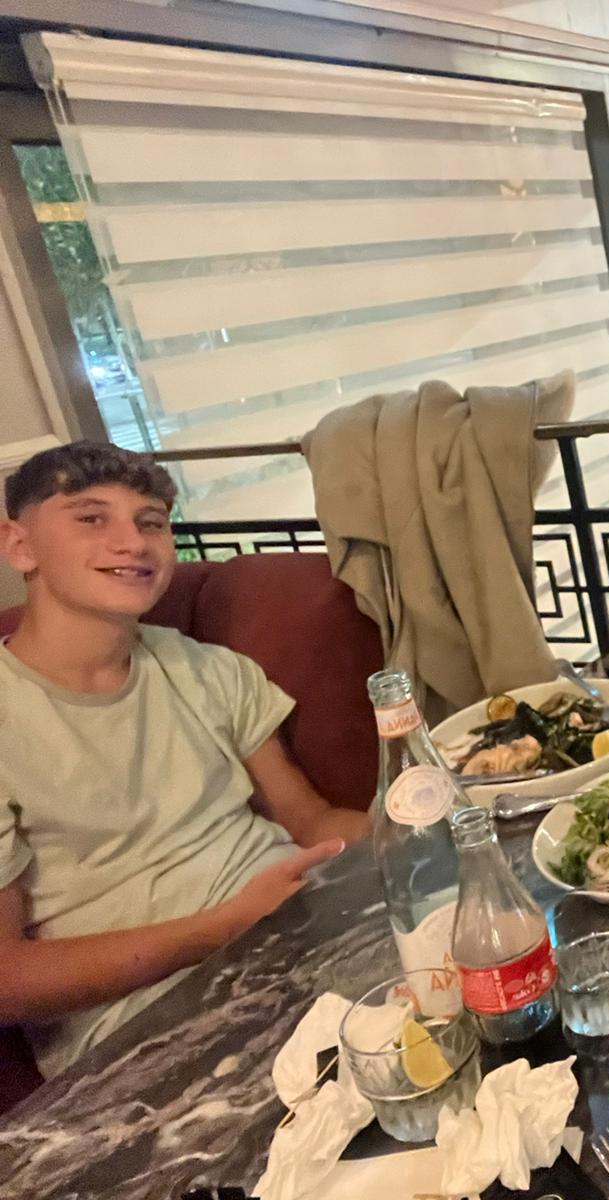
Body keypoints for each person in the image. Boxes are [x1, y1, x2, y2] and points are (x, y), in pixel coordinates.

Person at [0, 443, 368, 1077]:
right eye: (91, 518)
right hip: (154, 1027)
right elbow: (8, 980)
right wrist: (225, 926)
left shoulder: (208, 670)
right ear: (20, 545)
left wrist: (445, 819)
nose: (133, 543)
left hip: (309, 933)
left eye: (151, 522)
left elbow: (311, 822)